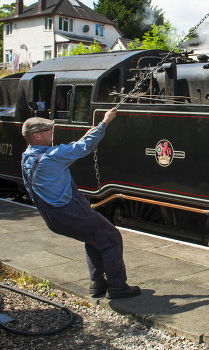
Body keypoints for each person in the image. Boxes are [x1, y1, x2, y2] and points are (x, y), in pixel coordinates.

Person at [21, 112, 140, 299]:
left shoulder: (27, 158)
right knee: (112, 237)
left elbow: (74, 147)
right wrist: (106, 121)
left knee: (94, 237)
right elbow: (83, 146)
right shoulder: (50, 157)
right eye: (47, 130)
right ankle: (118, 287)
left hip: (52, 217)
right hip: (70, 212)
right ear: (36, 136)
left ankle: (97, 283)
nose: (52, 133)